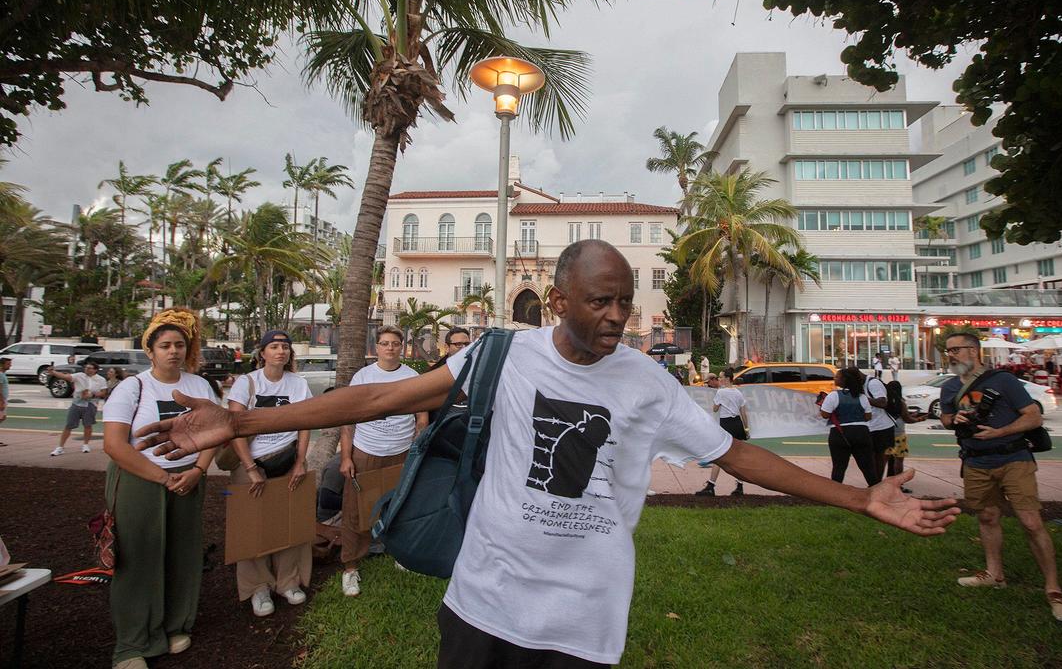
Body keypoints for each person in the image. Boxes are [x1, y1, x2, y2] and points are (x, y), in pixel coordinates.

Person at [136, 240, 960, 668]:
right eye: (600, 301)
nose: (616, 317)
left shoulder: (644, 380)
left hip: (582, 617)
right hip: (483, 600)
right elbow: (378, 397)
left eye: (625, 303)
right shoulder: (500, 353)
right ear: (556, 300)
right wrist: (242, 425)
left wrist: (858, 497)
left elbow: (735, 456)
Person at [101, 308, 218, 668]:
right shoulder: (132, 387)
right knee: (138, 558)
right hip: (141, 480)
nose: (173, 351)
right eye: (164, 345)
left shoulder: (199, 386)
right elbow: (114, 445)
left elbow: (215, 432)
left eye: (179, 345)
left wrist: (199, 469)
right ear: (149, 350)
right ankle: (133, 643)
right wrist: (163, 477)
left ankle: (175, 625)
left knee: (183, 555)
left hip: (188, 478)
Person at [938, 332, 1062, 624]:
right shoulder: (950, 386)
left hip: (1013, 458)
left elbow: (1032, 417)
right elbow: (946, 417)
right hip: (975, 460)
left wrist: (1000, 432)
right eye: (948, 350)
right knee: (987, 517)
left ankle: (1054, 590)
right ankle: (994, 574)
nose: (951, 355)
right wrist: (955, 420)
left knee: (1031, 521)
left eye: (956, 349)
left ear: (974, 350)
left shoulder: (1003, 381)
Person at [226, 330, 313, 617]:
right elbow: (235, 427)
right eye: (274, 347)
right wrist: (250, 468)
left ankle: (288, 581)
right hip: (251, 463)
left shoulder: (297, 384)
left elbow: (304, 424)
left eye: (285, 347)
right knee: (252, 525)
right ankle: (258, 586)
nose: (281, 352)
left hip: (287, 460)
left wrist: (300, 461)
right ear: (262, 353)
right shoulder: (246, 383)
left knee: (289, 521)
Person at [338, 325, 428, 597]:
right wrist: (346, 457)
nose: (390, 348)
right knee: (356, 511)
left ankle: (401, 554)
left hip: (400, 453)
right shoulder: (363, 376)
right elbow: (348, 420)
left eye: (394, 343)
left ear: (402, 347)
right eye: (384, 343)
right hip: (366, 451)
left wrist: (417, 441)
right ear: (376, 347)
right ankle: (350, 568)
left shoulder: (412, 376)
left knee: (399, 507)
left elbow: (421, 416)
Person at [694, 368, 749, 497]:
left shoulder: (721, 392)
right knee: (737, 457)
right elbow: (743, 413)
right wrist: (746, 428)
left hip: (726, 424)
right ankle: (739, 486)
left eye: (721, 376)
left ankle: (711, 485)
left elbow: (715, 409)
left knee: (718, 456)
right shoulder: (738, 393)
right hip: (737, 424)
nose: (719, 379)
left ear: (727, 378)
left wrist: (717, 401)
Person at [821, 367, 879, 487]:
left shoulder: (833, 396)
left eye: (837, 376)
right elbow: (868, 416)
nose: (834, 378)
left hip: (840, 433)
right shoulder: (861, 397)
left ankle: (835, 496)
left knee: (839, 467)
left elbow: (825, 415)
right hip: (861, 433)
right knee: (868, 467)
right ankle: (877, 491)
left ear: (843, 380)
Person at [49, 361, 108, 455]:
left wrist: (92, 394)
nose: (87, 369)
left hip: (91, 404)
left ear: (95, 370)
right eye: (86, 367)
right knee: (69, 425)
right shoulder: (79, 376)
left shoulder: (101, 379)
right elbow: (66, 376)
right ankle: (60, 446)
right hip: (77, 403)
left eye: (89, 368)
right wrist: (54, 372)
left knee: (88, 425)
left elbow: (104, 392)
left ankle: (86, 444)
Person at [864, 371, 895, 482]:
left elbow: (882, 402)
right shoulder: (857, 387)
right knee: (871, 458)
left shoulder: (873, 383)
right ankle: (875, 483)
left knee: (880, 458)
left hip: (881, 428)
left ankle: (877, 483)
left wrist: (863, 399)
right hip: (870, 427)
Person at [0, 357, 10, 443]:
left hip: (4, 399)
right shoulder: (0, 374)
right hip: (1, 400)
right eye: (8, 364)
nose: (10, 366)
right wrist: (2, 401)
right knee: (1, 418)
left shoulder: (3, 374)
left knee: (2, 418)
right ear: (2, 365)